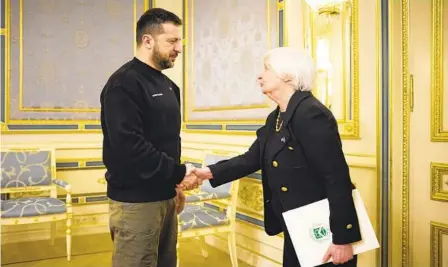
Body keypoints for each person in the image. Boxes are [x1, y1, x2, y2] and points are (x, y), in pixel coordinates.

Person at [191, 47, 361, 267]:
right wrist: (206, 173)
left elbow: (335, 176)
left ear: (288, 76)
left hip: (323, 229)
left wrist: (342, 238)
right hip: (296, 225)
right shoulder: (276, 117)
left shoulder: (311, 113)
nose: (259, 75)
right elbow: (250, 159)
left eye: (267, 69)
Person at [100, 8, 200, 267]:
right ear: (147, 40)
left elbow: (167, 141)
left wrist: (175, 186)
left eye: (180, 41)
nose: (179, 48)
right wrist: (179, 172)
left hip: (167, 198)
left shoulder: (169, 86)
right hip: (136, 203)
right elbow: (129, 147)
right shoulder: (123, 84)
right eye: (172, 41)